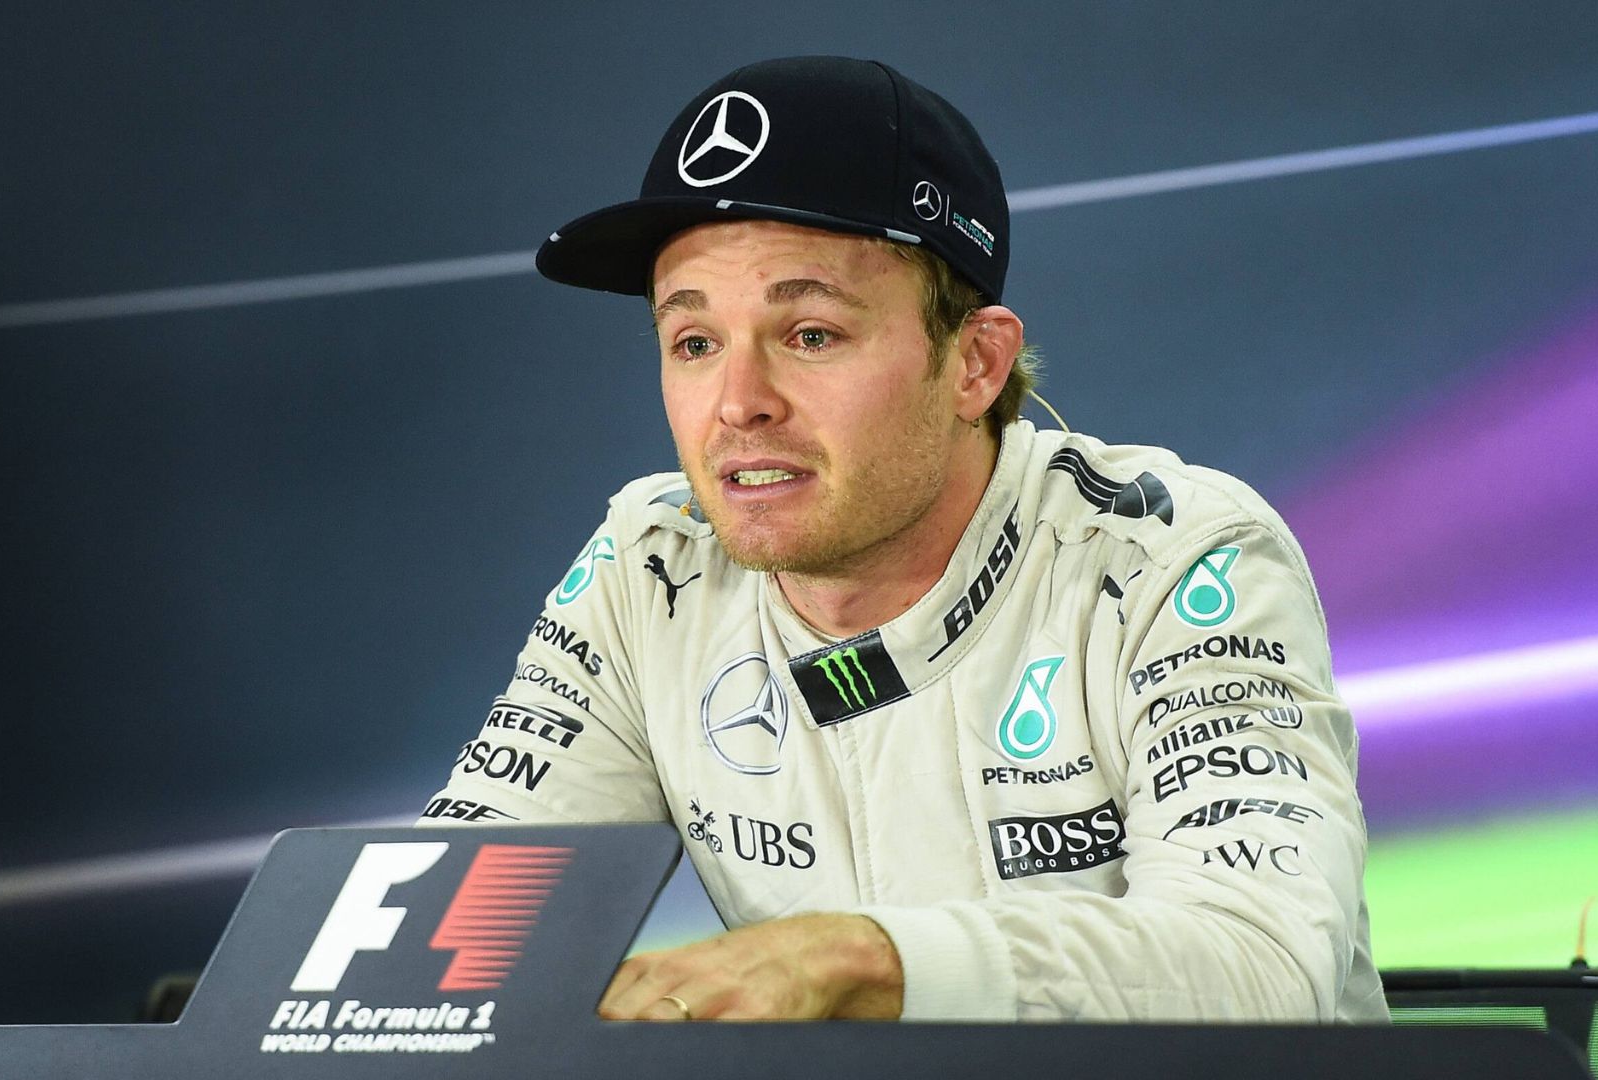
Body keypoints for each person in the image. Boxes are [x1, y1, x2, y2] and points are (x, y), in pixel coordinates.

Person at [422, 55, 1388, 1024]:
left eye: (810, 334)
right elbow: (440, 942)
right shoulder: (650, 569)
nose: (739, 405)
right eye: (696, 343)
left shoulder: (1175, 560)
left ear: (975, 363)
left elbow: (1262, 967)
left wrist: (864, 959)